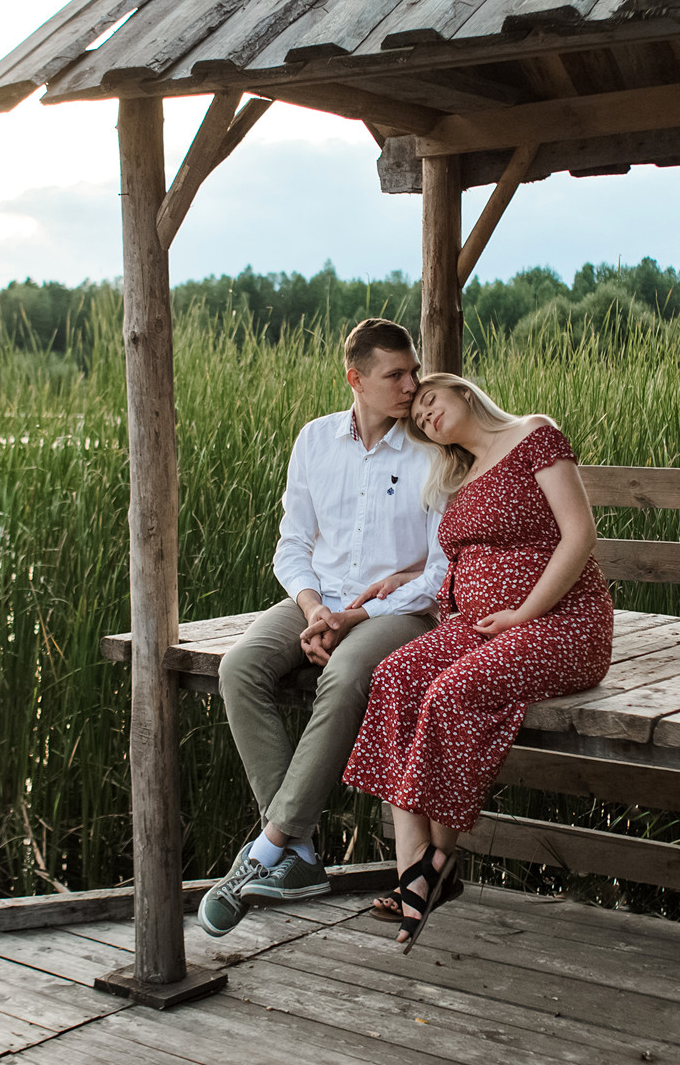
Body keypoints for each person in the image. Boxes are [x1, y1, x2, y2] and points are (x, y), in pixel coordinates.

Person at [345, 373, 612, 951]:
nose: (426, 416)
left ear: (463, 392)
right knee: (394, 675)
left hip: (560, 622)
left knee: (449, 693)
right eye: (418, 419)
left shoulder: (533, 435)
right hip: (475, 628)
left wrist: (523, 612)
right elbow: (461, 557)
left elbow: (580, 534)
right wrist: (411, 578)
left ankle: (439, 861)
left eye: (430, 401)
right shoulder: (460, 477)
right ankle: (413, 866)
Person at [198, 319, 448, 938]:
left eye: (413, 371)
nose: (410, 385)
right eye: (396, 375)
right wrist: (314, 611)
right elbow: (291, 547)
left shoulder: (432, 448)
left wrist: (355, 616)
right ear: (355, 379)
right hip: (320, 600)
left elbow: (442, 571)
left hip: (398, 611)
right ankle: (304, 853)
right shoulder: (314, 440)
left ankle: (268, 849)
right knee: (239, 666)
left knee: (344, 676)